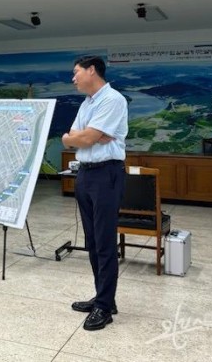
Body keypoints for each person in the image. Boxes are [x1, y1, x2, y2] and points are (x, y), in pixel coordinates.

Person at [61, 55, 128, 331]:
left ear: (91, 71)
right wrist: (83, 135)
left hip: (106, 174)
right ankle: (103, 297)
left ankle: (105, 307)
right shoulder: (87, 103)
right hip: (86, 173)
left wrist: (87, 136)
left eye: (76, 72)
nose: (73, 78)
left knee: (104, 240)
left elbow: (85, 138)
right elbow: (70, 136)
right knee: (92, 239)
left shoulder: (112, 100)